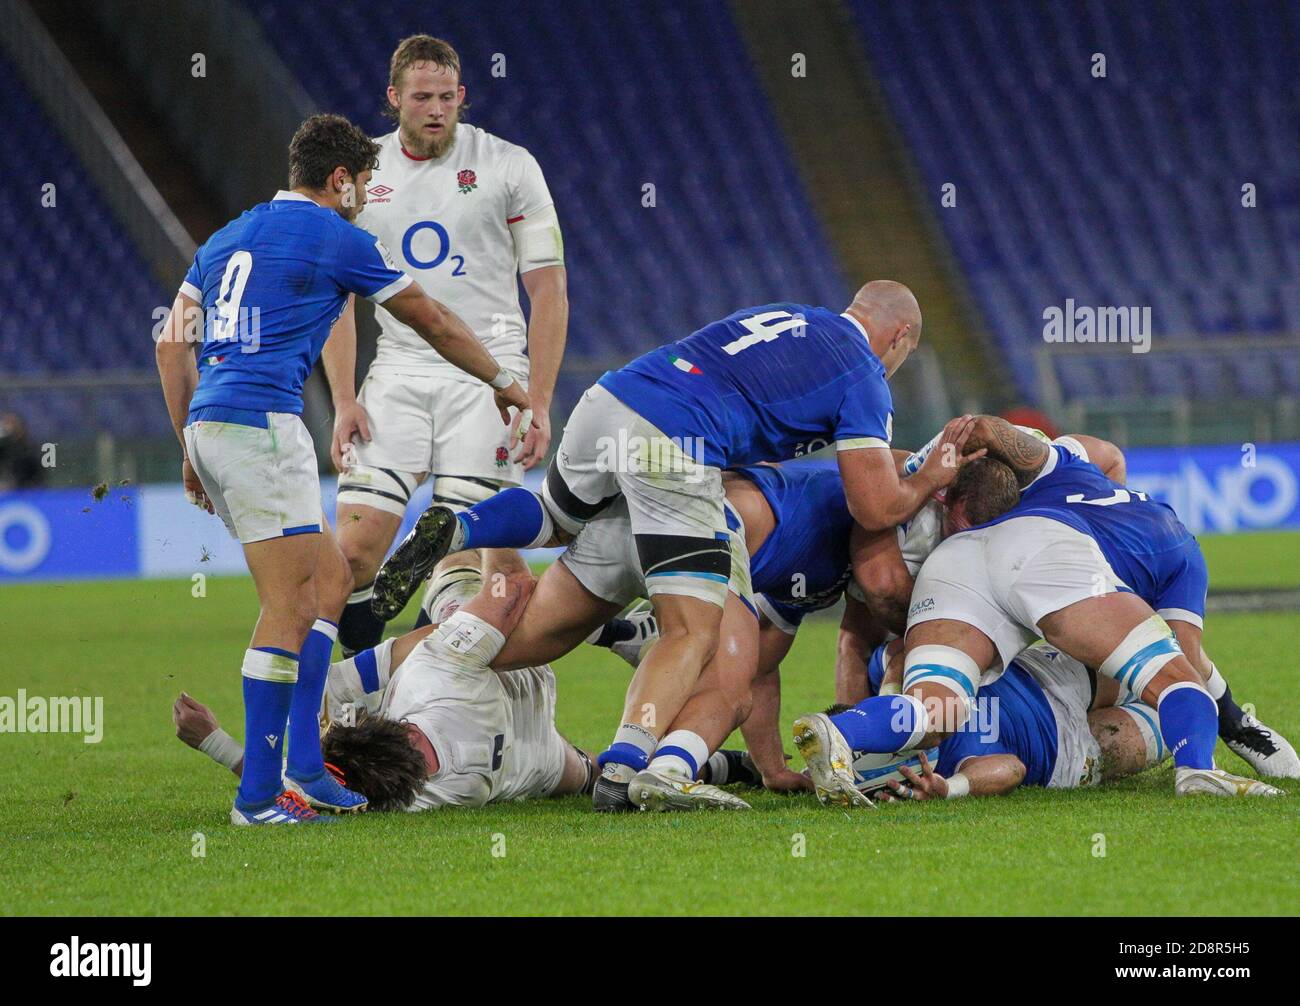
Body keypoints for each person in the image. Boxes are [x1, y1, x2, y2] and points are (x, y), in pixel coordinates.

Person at [373, 282, 983, 809]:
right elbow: (873, 506)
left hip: (612, 400)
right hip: (678, 445)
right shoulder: (863, 376)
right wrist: (931, 479)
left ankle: (459, 532)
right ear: (900, 336)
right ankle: (624, 764)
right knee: (694, 634)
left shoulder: (792, 315)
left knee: (552, 529)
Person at [154, 112, 530, 825]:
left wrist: (189, 446)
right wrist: (504, 383)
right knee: (290, 606)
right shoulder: (338, 237)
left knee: (330, 581)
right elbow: (435, 321)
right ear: (339, 180)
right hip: (262, 427)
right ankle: (259, 797)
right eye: (362, 183)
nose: (365, 195)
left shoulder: (226, 237)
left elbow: (171, 348)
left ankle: (305, 765)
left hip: (214, 423)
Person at [794, 422, 1284, 805]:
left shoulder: (1054, 463)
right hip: (1044, 552)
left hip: (955, 564)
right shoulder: (1178, 552)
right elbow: (1191, 666)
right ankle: (1198, 769)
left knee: (933, 707)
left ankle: (846, 731)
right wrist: (1236, 723)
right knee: (1167, 678)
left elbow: (886, 649)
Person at [323, 35, 567, 655]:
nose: (436, 108)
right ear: (393, 99)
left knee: (492, 566)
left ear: (462, 96)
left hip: (490, 377)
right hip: (397, 374)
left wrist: (536, 399)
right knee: (349, 556)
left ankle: (456, 699)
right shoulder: (359, 178)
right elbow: (337, 300)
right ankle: (356, 708)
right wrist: (345, 400)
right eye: (421, 97)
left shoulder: (510, 165)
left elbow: (549, 291)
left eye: (446, 97)